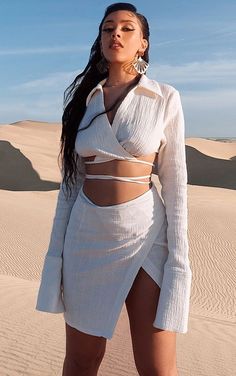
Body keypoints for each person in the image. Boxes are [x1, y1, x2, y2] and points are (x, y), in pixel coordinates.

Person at [35, 2, 192, 375]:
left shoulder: (164, 97)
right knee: (81, 360)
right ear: (100, 39)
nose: (115, 34)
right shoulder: (81, 103)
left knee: (156, 366)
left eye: (126, 28)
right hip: (86, 238)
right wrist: (55, 257)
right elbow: (69, 188)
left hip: (144, 236)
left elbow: (175, 184)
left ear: (143, 44)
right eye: (108, 28)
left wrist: (179, 260)